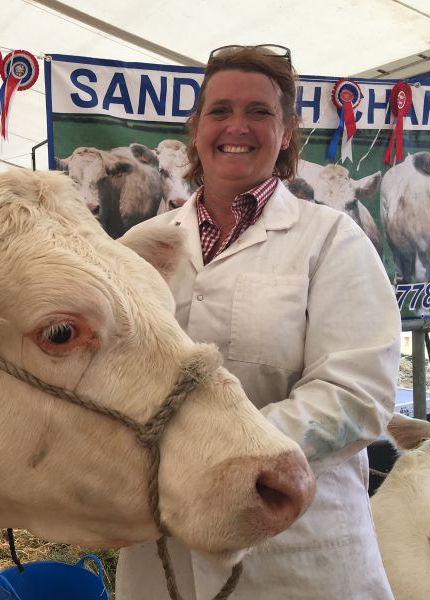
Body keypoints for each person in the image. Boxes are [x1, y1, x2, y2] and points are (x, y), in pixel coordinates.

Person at [115, 45, 400, 599]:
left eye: (260, 112)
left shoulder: (332, 240)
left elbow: (357, 394)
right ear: (196, 127)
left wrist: (219, 452)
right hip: (163, 547)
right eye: (219, 111)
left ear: (288, 131)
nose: (236, 127)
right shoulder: (138, 248)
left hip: (295, 554)